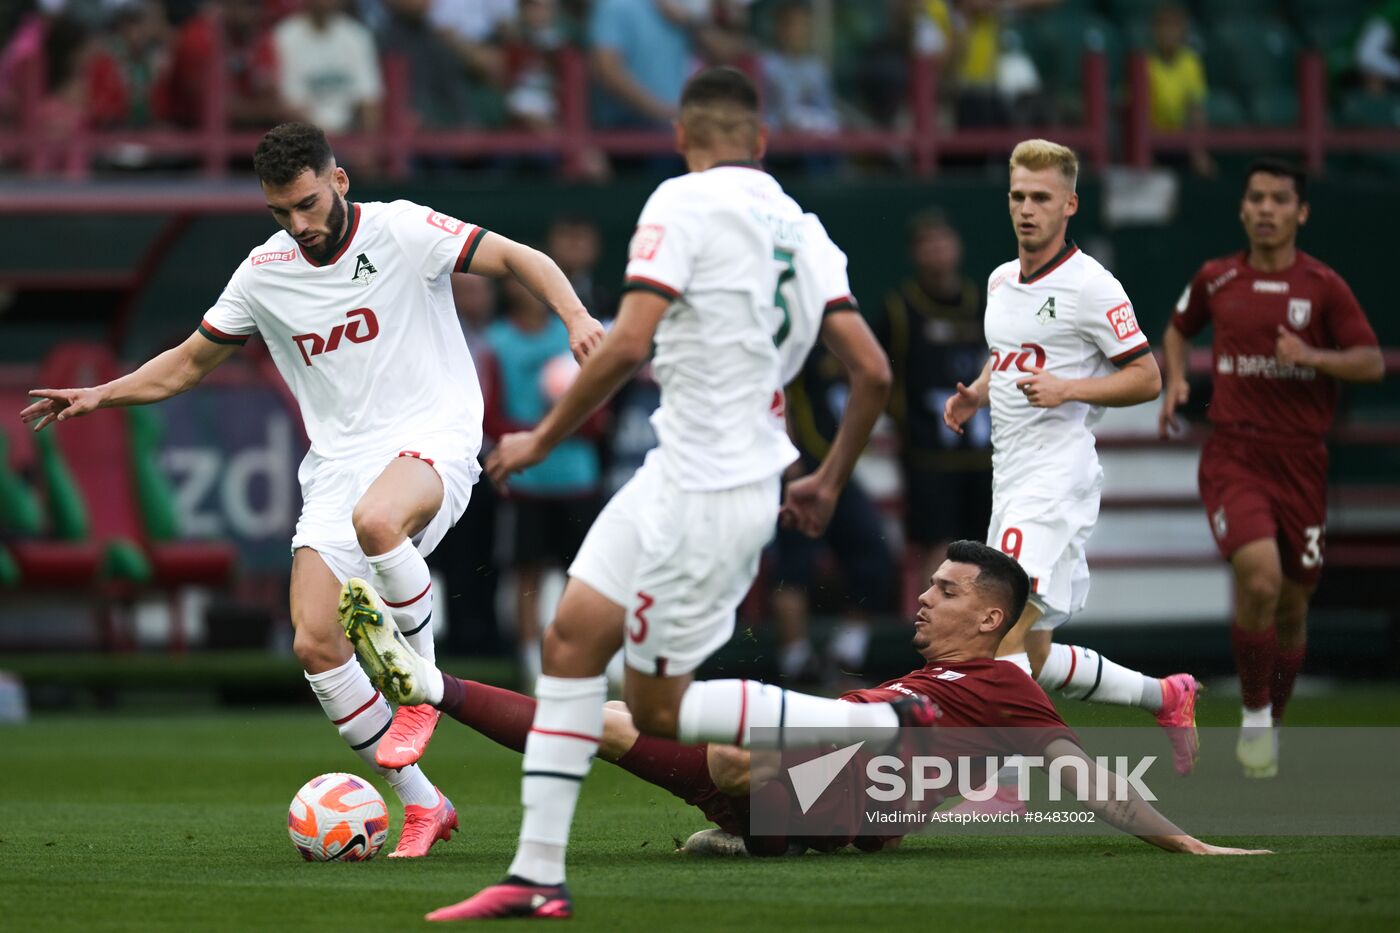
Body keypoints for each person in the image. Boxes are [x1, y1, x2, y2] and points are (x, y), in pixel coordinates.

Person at [344, 67, 915, 919]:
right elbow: (871, 370)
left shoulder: (678, 204)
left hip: (710, 487)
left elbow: (624, 344)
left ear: (683, 140)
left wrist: (542, 436)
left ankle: (879, 725)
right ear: (759, 142)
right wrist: (830, 477)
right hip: (684, 473)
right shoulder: (806, 228)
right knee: (571, 642)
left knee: (657, 704)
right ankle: (537, 875)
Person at [20, 122, 605, 857]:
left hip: (435, 432)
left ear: (339, 182)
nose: (299, 224)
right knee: (316, 640)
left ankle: (417, 686)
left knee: (377, 520)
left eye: (306, 204)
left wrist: (578, 315)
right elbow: (185, 364)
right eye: (280, 212)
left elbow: (520, 256)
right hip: (337, 463)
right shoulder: (265, 271)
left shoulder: (401, 230)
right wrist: (101, 394)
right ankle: (424, 805)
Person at [343, 539, 1268, 871]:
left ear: (992, 616)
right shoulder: (930, 675)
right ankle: (434, 688)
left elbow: (1085, 778)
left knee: (727, 748)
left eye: (944, 591)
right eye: (929, 584)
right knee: (612, 720)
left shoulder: (1011, 687)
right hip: (805, 778)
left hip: (831, 794)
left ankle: (759, 825)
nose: (923, 596)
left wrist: (1184, 842)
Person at [943, 139, 1199, 788]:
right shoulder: (1003, 279)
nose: (1027, 210)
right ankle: (1166, 695)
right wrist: (978, 389)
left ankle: (1003, 787)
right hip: (1014, 475)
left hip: (1055, 480)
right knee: (1034, 649)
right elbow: (1010, 352)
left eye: (1041, 199)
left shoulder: (1091, 286)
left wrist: (1070, 389)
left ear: (1070, 204)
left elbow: (1146, 376)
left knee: (990, 625)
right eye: (1018, 197)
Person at [1158, 159, 1383, 779]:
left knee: (1292, 605)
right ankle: (1254, 714)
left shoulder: (1324, 287)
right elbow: (1178, 331)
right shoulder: (1217, 277)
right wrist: (1176, 382)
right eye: (1255, 197)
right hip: (1235, 453)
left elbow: (1369, 362)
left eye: (1279, 200)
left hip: (1303, 460)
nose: (1265, 208)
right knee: (1260, 580)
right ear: (1242, 208)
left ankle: (1272, 725)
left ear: (1300, 212)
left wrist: (1310, 355)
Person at [483, 277, 606, 688]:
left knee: (587, 574)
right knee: (526, 575)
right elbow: (490, 416)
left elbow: (598, 414)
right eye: (521, 283)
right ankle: (532, 664)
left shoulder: (575, 335)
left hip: (577, 479)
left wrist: (554, 431)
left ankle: (585, 661)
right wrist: (536, 437)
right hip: (526, 481)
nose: (531, 291)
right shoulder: (497, 342)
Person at [877, 210, 990, 599]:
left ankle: (984, 648)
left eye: (943, 242)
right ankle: (930, 643)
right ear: (914, 254)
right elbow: (877, 375)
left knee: (988, 554)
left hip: (983, 456)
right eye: (927, 245)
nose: (937, 252)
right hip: (928, 456)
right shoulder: (898, 310)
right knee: (938, 550)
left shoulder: (984, 304)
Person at [272, 0, 383, 134]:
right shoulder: (283, 37)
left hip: (350, 136)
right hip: (303, 138)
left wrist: (366, 147)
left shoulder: (357, 36)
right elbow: (289, 106)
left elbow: (369, 100)